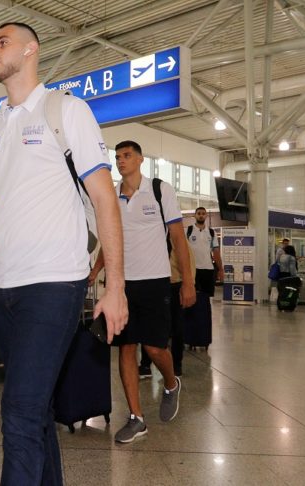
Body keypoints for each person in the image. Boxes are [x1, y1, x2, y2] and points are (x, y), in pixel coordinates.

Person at [0, 22, 128, 485]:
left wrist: (115, 286)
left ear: (31, 50)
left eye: (2, 42)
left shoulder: (66, 111)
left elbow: (105, 200)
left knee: (18, 411)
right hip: (1, 289)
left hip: (54, 284)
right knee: (34, 411)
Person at [90, 140, 195, 444]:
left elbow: (178, 238)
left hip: (155, 282)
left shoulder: (160, 190)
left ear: (140, 159)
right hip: (122, 284)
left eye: (126, 156)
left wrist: (188, 282)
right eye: (117, 157)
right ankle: (136, 418)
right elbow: (110, 239)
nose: (120, 161)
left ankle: (171, 384)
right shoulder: (112, 195)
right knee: (126, 348)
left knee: (154, 348)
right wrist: (96, 270)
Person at [139, 233, 195, 378]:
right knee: (149, 327)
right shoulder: (153, 238)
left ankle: (176, 365)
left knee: (177, 328)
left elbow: (189, 263)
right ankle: (145, 365)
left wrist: (189, 285)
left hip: (175, 286)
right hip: (154, 286)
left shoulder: (179, 240)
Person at [186, 207, 223, 294]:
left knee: (206, 297)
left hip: (208, 269)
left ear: (206, 216)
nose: (201, 215)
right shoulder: (188, 230)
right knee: (194, 295)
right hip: (193, 269)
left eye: (203, 214)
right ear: (195, 215)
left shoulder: (211, 232)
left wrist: (220, 269)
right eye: (199, 213)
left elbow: (216, 252)